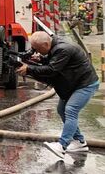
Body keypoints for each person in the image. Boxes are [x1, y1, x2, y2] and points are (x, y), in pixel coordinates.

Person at [16, 31, 99, 159]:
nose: (36, 52)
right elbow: (53, 62)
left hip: (85, 84)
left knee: (71, 110)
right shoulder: (54, 46)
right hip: (74, 84)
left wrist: (29, 69)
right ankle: (80, 142)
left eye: (37, 49)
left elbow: (52, 70)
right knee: (62, 110)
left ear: (45, 44)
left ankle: (62, 146)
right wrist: (41, 59)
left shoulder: (62, 49)